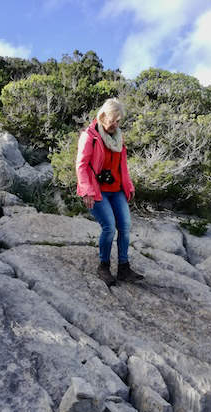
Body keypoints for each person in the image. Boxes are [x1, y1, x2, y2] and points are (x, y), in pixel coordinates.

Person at [76, 98, 144, 286]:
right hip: (97, 191)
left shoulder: (118, 138)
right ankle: (103, 266)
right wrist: (87, 191)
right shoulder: (90, 136)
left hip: (116, 190)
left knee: (125, 226)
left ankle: (123, 268)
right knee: (109, 227)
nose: (116, 124)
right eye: (113, 120)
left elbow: (123, 166)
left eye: (119, 121)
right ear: (103, 116)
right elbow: (81, 166)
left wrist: (129, 186)